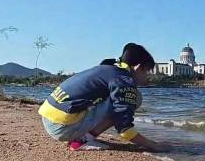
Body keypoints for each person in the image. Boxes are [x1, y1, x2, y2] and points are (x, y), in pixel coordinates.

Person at [38, 43, 170, 152]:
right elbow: (124, 128)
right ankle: (81, 141)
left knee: (122, 99)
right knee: (134, 98)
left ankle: (84, 136)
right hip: (61, 127)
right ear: (138, 67)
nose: (148, 77)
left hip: (49, 119)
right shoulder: (122, 79)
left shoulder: (107, 69)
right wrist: (152, 145)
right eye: (147, 72)